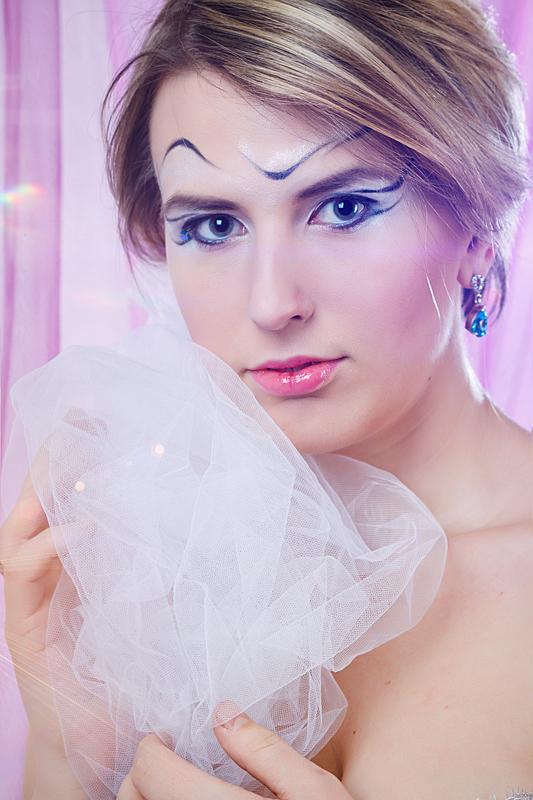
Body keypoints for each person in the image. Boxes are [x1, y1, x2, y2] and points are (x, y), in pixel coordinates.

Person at [1, 0, 531, 798]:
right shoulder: (157, 575)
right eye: (214, 226)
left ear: (476, 226)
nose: (271, 303)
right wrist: (68, 749)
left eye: (343, 208)